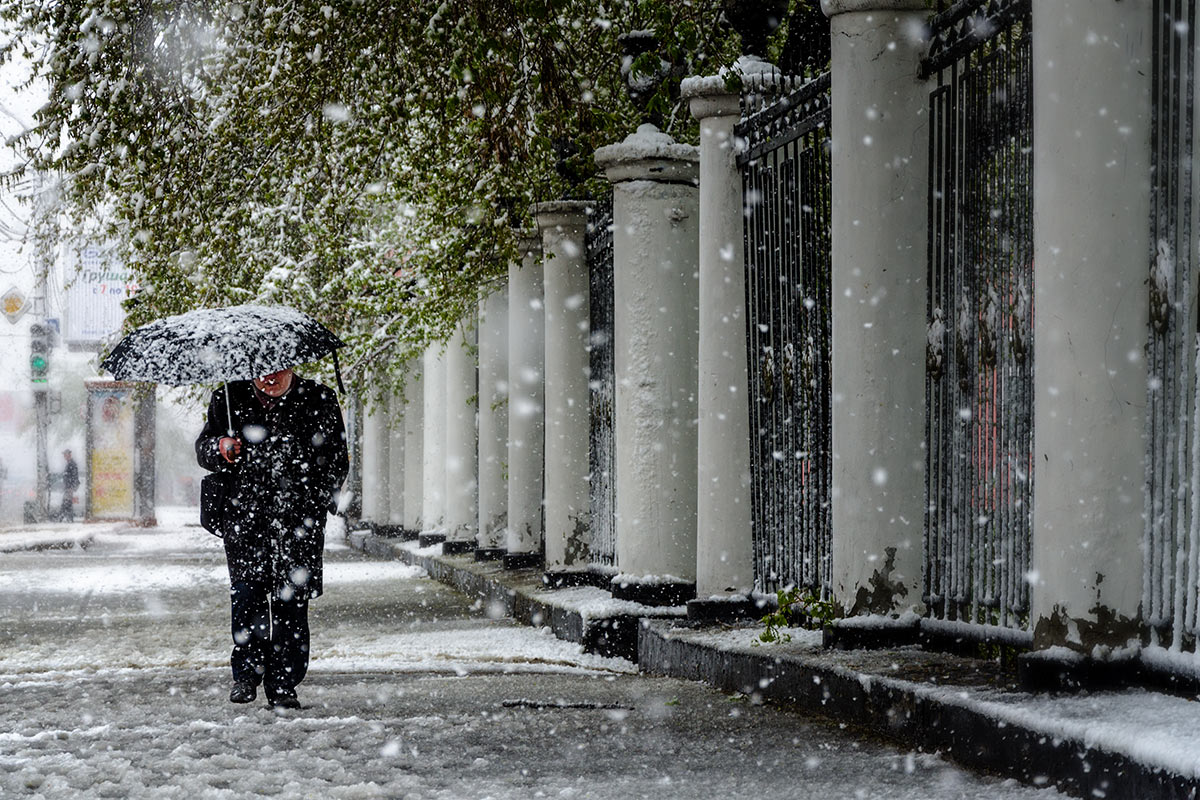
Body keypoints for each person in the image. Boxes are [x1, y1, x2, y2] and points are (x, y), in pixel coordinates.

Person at [195, 367, 348, 710]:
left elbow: (337, 458)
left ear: (292, 366)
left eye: (277, 370)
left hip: (299, 522)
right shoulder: (228, 398)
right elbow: (203, 449)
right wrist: (220, 447)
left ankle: (283, 683)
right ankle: (247, 675)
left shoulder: (318, 399)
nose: (269, 378)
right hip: (245, 518)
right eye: (261, 371)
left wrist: (314, 492)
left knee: (291, 602)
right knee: (247, 596)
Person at [60, 449, 79, 523]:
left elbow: (74, 476)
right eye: (64, 455)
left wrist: (71, 487)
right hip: (68, 487)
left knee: (66, 502)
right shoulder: (69, 463)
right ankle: (68, 518)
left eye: (65, 455)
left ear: (69, 455)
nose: (64, 456)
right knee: (67, 503)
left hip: (69, 487)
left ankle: (61, 518)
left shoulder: (72, 464)